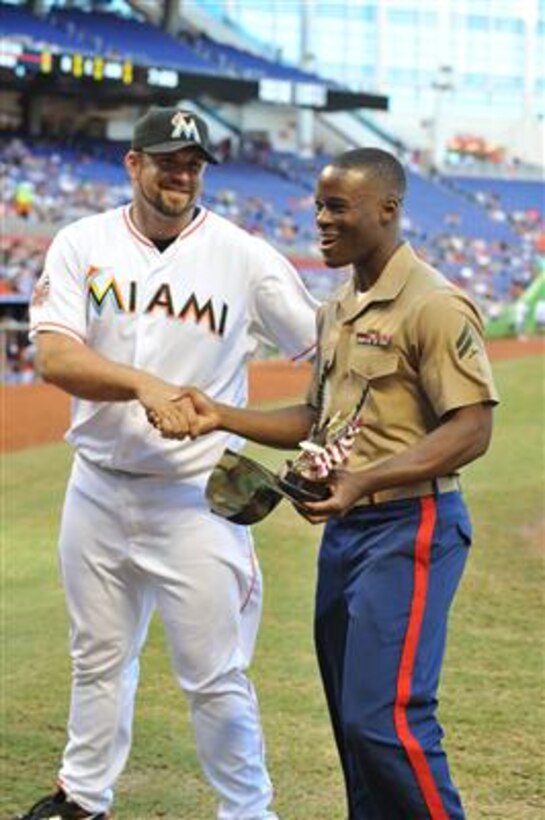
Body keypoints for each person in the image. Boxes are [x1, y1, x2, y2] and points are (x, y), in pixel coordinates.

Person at [152, 148, 499, 819]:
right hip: (346, 530)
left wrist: (365, 477)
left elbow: (470, 430)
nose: (320, 219)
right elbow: (316, 418)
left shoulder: (433, 304)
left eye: (337, 206)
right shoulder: (338, 306)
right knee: (354, 725)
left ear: (387, 210)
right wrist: (218, 415)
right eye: (318, 205)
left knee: (385, 721)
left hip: (411, 526)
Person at [19, 106, 317, 820]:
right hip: (96, 487)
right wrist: (143, 384)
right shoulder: (82, 243)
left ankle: (247, 811)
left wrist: (317, 440)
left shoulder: (243, 256)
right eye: (166, 160)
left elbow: (322, 354)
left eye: (192, 162)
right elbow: (56, 354)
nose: (180, 173)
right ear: (133, 164)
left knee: (213, 674)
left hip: (195, 497)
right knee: (97, 657)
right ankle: (84, 798)